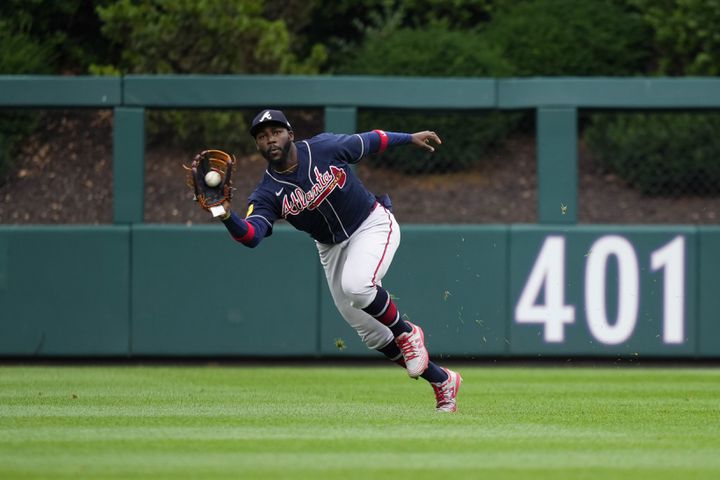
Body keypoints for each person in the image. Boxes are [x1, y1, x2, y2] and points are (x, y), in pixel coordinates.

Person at [213, 109, 461, 412]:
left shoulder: (323, 147)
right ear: (258, 146)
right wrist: (225, 215)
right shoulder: (267, 192)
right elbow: (252, 236)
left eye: (275, 132)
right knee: (372, 333)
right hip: (330, 248)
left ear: (290, 134)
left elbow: (372, 140)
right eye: (262, 137)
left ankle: (407, 332)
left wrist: (409, 138)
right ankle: (442, 381)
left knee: (358, 287)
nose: (270, 139)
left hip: (371, 223)